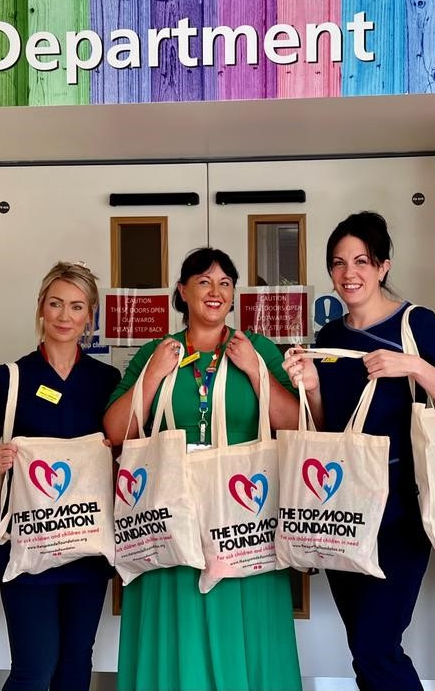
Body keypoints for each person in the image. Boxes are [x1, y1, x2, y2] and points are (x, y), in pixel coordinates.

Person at [283, 211, 435, 691]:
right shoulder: (329, 339)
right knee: (365, 649)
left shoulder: (416, 323)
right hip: (343, 507)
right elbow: (329, 428)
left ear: (383, 266)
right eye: (338, 263)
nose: (350, 273)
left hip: (400, 515)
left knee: (376, 646)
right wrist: (309, 388)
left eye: (362, 261)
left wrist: (411, 365)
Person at [103, 247, 304, 691]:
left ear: (233, 297)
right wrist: (153, 375)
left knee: (243, 619)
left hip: (242, 518)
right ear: (183, 291)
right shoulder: (157, 350)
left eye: (225, 284)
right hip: (170, 515)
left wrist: (256, 372)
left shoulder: (258, 348)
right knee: (175, 618)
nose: (215, 292)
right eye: (204, 282)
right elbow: (117, 431)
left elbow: (295, 424)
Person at [0, 261, 120, 691]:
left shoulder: (106, 380)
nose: (64, 316)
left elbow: (124, 449)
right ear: (40, 308)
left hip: (87, 545)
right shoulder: (10, 379)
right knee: (34, 668)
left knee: (75, 666)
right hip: (29, 544)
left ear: (90, 315)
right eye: (55, 304)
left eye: (76, 307)